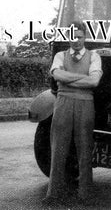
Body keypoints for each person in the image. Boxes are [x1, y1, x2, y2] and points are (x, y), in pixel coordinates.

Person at [44, 21, 102, 204]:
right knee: (58, 148)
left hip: (85, 104)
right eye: (72, 36)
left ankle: (85, 194)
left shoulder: (94, 56)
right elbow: (57, 75)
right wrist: (82, 78)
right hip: (63, 103)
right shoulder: (60, 55)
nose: (76, 40)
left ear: (85, 37)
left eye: (79, 36)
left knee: (84, 149)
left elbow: (94, 82)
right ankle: (54, 194)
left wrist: (67, 80)